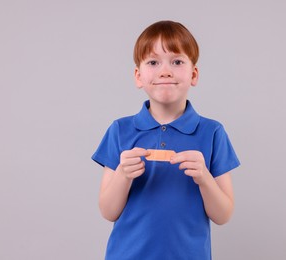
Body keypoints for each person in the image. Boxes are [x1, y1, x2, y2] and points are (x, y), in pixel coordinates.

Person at [92, 20, 240, 260]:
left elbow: (223, 215)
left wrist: (204, 178)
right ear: (138, 76)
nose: (165, 71)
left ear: (193, 74)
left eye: (177, 61)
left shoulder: (212, 132)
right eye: (153, 62)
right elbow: (108, 211)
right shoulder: (120, 130)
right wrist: (123, 174)